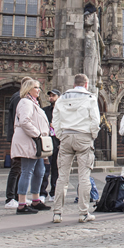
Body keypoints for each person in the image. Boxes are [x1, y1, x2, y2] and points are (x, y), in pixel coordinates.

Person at [51, 74, 100, 223]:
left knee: (62, 177)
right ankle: (83, 213)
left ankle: (57, 213)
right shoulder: (90, 98)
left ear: (74, 84)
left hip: (66, 136)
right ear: (86, 84)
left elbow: (55, 120)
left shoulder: (61, 99)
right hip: (83, 136)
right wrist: (92, 135)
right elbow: (95, 121)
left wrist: (61, 135)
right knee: (84, 176)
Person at [11, 79, 51, 214]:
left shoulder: (34, 103)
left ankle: (35, 200)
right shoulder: (25, 102)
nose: (38, 90)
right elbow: (24, 121)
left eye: (38, 87)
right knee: (27, 171)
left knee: (40, 171)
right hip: (29, 142)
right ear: (28, 89)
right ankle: (21, 204)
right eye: (36, 87)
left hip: (36, 143)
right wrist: (37, 134)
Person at [5, 77, 33, 209]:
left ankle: (17, 196)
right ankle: (10, 198)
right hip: (18, 136)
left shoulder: (22, 98)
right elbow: (21, 119)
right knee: (16, 168)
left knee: (20, 168)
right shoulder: (20, 98)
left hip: (20, 136)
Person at [41, 89, 60, 201]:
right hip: (47, 142)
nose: (51, 97)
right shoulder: (45, 111)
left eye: (53, 95)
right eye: (50, 96)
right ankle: (42, 192)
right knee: (45, 169)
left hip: (58, 142)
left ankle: (54, 192)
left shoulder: (62, 111)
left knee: (56, 169)